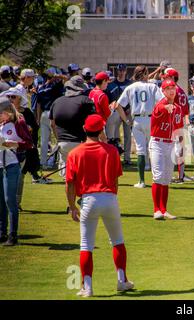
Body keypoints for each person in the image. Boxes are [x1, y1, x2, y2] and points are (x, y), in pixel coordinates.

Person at [66, 114, 134, 297]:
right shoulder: (111, 151)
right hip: (109, 197)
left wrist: (72, 206)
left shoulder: (75, 153)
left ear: (84, 129)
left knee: (86, 244)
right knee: (117, 241)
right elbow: (115, 180)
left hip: (88, 200)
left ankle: (87, 287)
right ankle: (122, 280)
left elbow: (70, 184)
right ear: (101, 130)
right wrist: (112, 198)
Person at [116, 65, 163, 188]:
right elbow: (162, 102)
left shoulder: (130, 87)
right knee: (154, 148)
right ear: (144, 73)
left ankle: (141, 181)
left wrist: (126, 120)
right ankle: (156, 179)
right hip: (151, 119)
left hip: (136, 119)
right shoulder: (153, 86)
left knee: (141, 150)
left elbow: (118, 105)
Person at [149, 79, 184, 220]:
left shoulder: (178, 108)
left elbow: (179, 128)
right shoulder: (160, 105)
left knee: (166, 178)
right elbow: (159, 110)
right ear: (163, 91)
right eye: (168, 88)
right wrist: (165, 107)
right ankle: (156, 209)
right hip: (157, 143)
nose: (171, 90)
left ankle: (164, 210)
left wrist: (180, 145)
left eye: (173, 87)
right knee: (157, 176)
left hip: (170, 143)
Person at [49, 76, 96, 179]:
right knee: (81, 176)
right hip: (80, 143)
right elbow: (93, 122)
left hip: (62, 143)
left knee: (67, 178)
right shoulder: (86, 101)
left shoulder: (57, 101)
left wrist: (59, 139)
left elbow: (52, 124)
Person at [0, 97, 31, 246]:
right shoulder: (2, 123)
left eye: (1, 114)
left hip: (12, 164)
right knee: (1, 201)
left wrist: (15, 144)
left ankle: (13, 235)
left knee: (9, 200)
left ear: (7, 111)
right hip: (0, 164)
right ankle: (2, 232)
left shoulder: (19, 122)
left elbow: (29, 143)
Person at [161, 68, 189, 183]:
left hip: (175, 122)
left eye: (167, 77)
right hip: (181, 121)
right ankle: (181, 175)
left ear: (172, 78)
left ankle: (179, 176)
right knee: (179, 149)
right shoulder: (181, 90)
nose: (165, 79)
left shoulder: (173, 90)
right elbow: (186, 110)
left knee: (175, 150)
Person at [37, 68, 65, 169]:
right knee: (59, 139)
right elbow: (66, 79)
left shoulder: (41, 88)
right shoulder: (55, 86)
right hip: (53, 115)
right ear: (53, 77)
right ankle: (54, 161)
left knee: (44, 141)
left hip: (43, 115)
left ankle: (43, 162)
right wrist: (58, 75)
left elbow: (38, 105)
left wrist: (38, 118)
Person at [105, 64, 133, 165]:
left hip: (127, 111)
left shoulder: (130, 83)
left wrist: (130, 109)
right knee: (114, 135)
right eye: (119, 70)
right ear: (117, 71)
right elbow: (109, 100)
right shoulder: (112, 84)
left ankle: (127, 158)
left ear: (126, 71)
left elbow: (132, 98)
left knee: (128, 135)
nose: (121, 72)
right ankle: (115, 157)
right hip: (116, 112)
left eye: (123, 70)